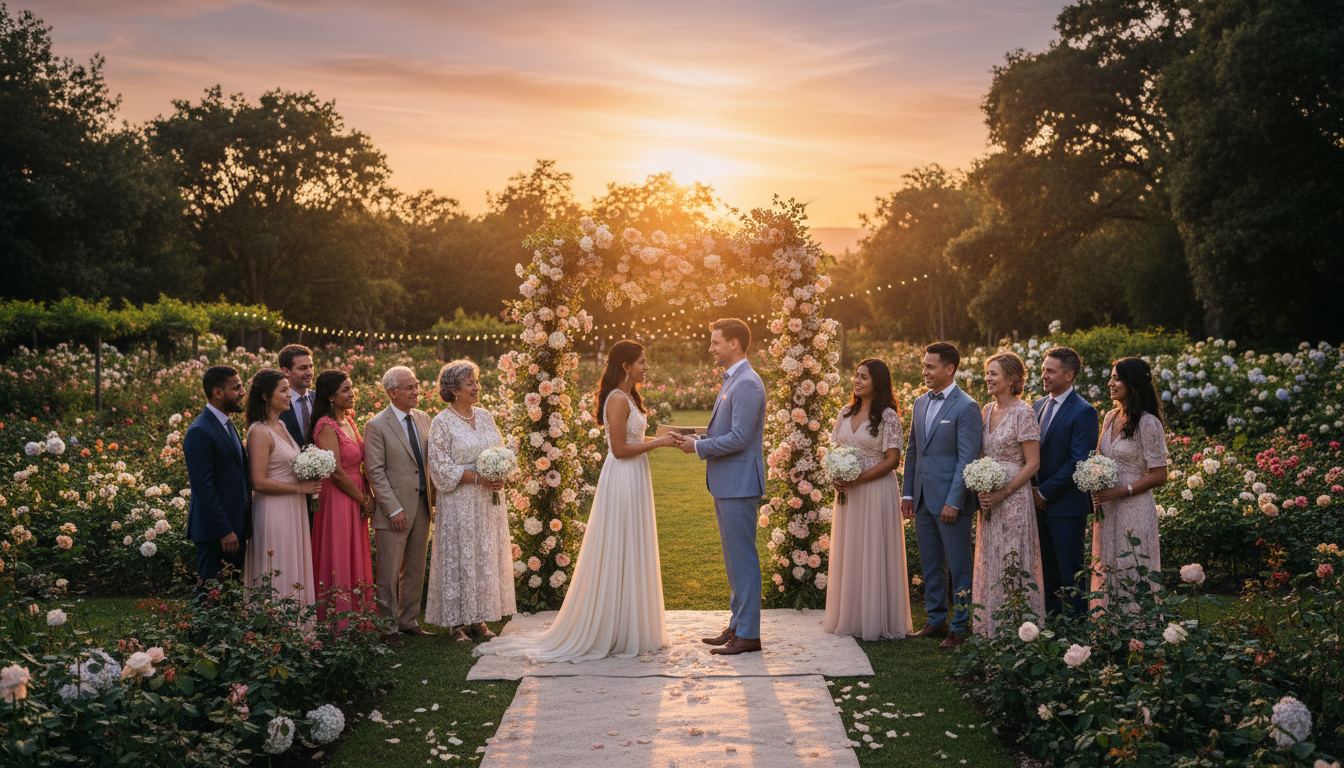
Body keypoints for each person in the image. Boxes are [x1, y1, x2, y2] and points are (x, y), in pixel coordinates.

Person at [475, 341, 678, 662]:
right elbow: (620, 450)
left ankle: (631, 624)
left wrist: (668, 441)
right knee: (620, 545)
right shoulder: (616, 398)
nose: (646, 367)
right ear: (625, 366)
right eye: (641, 362)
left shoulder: (628, 396)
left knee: (633, 545)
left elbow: (634, 439)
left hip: (635, 475)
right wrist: (662, 443)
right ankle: (613, 627)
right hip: (624, 477)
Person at [678, 319, 768, 656]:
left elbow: (741, 438)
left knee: (743, 558)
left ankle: (748, 635)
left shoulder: (746, 383)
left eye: (716, 342)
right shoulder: (735, 380)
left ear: (733, 343)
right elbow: (728, 431)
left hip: (739, 483)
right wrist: (696, 439)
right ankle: (738, 625)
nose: (711, 348)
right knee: (735, 558)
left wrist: (699, 448)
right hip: (728, 482)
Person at [425, 360, 516, 642]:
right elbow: (439, 466)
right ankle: (456, 624)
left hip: (488, 501)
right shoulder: (442, 422)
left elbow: (497, 452)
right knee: (459, 554)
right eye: (470, 383)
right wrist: (477, 478)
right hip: (459, 501)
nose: (477, 387)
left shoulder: (486, 416)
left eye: (476, 381)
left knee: (483, 555)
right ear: (453, 390)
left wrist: (500, 474)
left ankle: (479, 619)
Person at [823, 358, 912, 641]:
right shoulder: (845, 412)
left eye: (864, 377)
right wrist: (837, 473)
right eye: (856, 375)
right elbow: (835, 449)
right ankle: (849, 615)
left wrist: (858, 479)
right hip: (847, 492)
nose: (857, 381)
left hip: (875, 491)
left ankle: (876, 619)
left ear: (878, 382)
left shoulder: (887, 416)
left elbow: (893, 460)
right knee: (851, 548)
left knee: (872, 547)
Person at [902, 342, 983, 649]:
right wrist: (907, 493)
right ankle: (936, 620)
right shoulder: (920, 403)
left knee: (959, 565)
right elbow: (913, 451)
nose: (924, 371)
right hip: (922, 499)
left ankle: (959, 626)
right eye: (924, 366)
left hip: (951, 503)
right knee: (931, 563)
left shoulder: (966, 406)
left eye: (930, 366)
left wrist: (954, 501)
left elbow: (967, 459)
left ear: (949, 369)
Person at [971, 352, 1044, 638]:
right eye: (987, 373)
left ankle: (1018, 629)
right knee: (991, 556)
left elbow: (1033, 463)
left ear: (1011, 379)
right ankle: (991, 627)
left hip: (1013, 498)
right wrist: (981, 484)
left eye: (994, 373)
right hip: (989, 498)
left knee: (1012, 557)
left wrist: (1004, 492)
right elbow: (982, 453)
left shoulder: (1024, 412)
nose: (988, 378)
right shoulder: (986, 410)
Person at [364, 366, 436, 648]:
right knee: (390, 570)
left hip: (422, 505)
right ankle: (387, 626)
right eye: (409, 387)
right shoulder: (376, 425)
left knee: (416, 567)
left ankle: (409, 621)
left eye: (416, 385)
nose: (416, 391)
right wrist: (393, 509)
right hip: (393, 509)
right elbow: (375, 471)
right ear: (392, 392)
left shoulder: (424, 418)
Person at [1090, 357, 1170, 611]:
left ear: (1132, 383)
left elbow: (1159, 474)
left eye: (1116, 378)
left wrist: (1121, 491)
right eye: (1112, 377)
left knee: (1132, 563)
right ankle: (1109, 627)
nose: (1110, 383)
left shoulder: (1148, 423)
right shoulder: (1111, 417)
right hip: (1107, 505)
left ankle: (1137, 629)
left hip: (1134, 505)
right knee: (1108, 563)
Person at [1030, 347, 1099, 617]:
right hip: (1037, 504)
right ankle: (1052, 625)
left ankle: (1078, 628)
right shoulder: (1037, 405)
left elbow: (1076, 461)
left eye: (1051, 370)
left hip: (1066, 507)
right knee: (1046, 572)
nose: (1044, 375)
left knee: (1071, 573)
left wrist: (1044, 493)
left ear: (1069, 375)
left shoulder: (1084, 411)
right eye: (1044, 369)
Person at [241, 368, 319, 606]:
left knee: (293, 561)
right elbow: (258, 481)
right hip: (273, 510)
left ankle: (296, 622)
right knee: (280, 563)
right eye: (283, 390)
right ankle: (274, 625)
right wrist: (299, 489)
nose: (289, 395)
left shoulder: (281, 426)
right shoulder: (259, 431)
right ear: (266, 396)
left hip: (293, 507)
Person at [309, 369, 376, 629]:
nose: (352, 393)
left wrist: (366, 494)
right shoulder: (325, 425)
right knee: (339, 553)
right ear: (330, 396)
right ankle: (338, 621)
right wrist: (364, 499)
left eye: (351, 387)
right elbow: (336, 472)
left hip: (355, 492)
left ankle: (359, 615)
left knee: (354, 552)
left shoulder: (348, 420)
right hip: (337, 496)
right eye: (345, 390)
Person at [184, 365, 253, 585]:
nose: (243, 392)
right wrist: (224, 530)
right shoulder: (200, 431)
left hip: (235, 529)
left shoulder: (226, 423)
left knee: (230, 598)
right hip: (215, 533)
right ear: (218, 393)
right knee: (210, 596)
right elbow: (203, 488)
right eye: (237, 387)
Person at [278, 344, 315, 448]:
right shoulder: (276, 403)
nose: (309, 372)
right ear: (286, 371)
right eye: (302, 368)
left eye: (311, 366)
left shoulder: (318, 398)